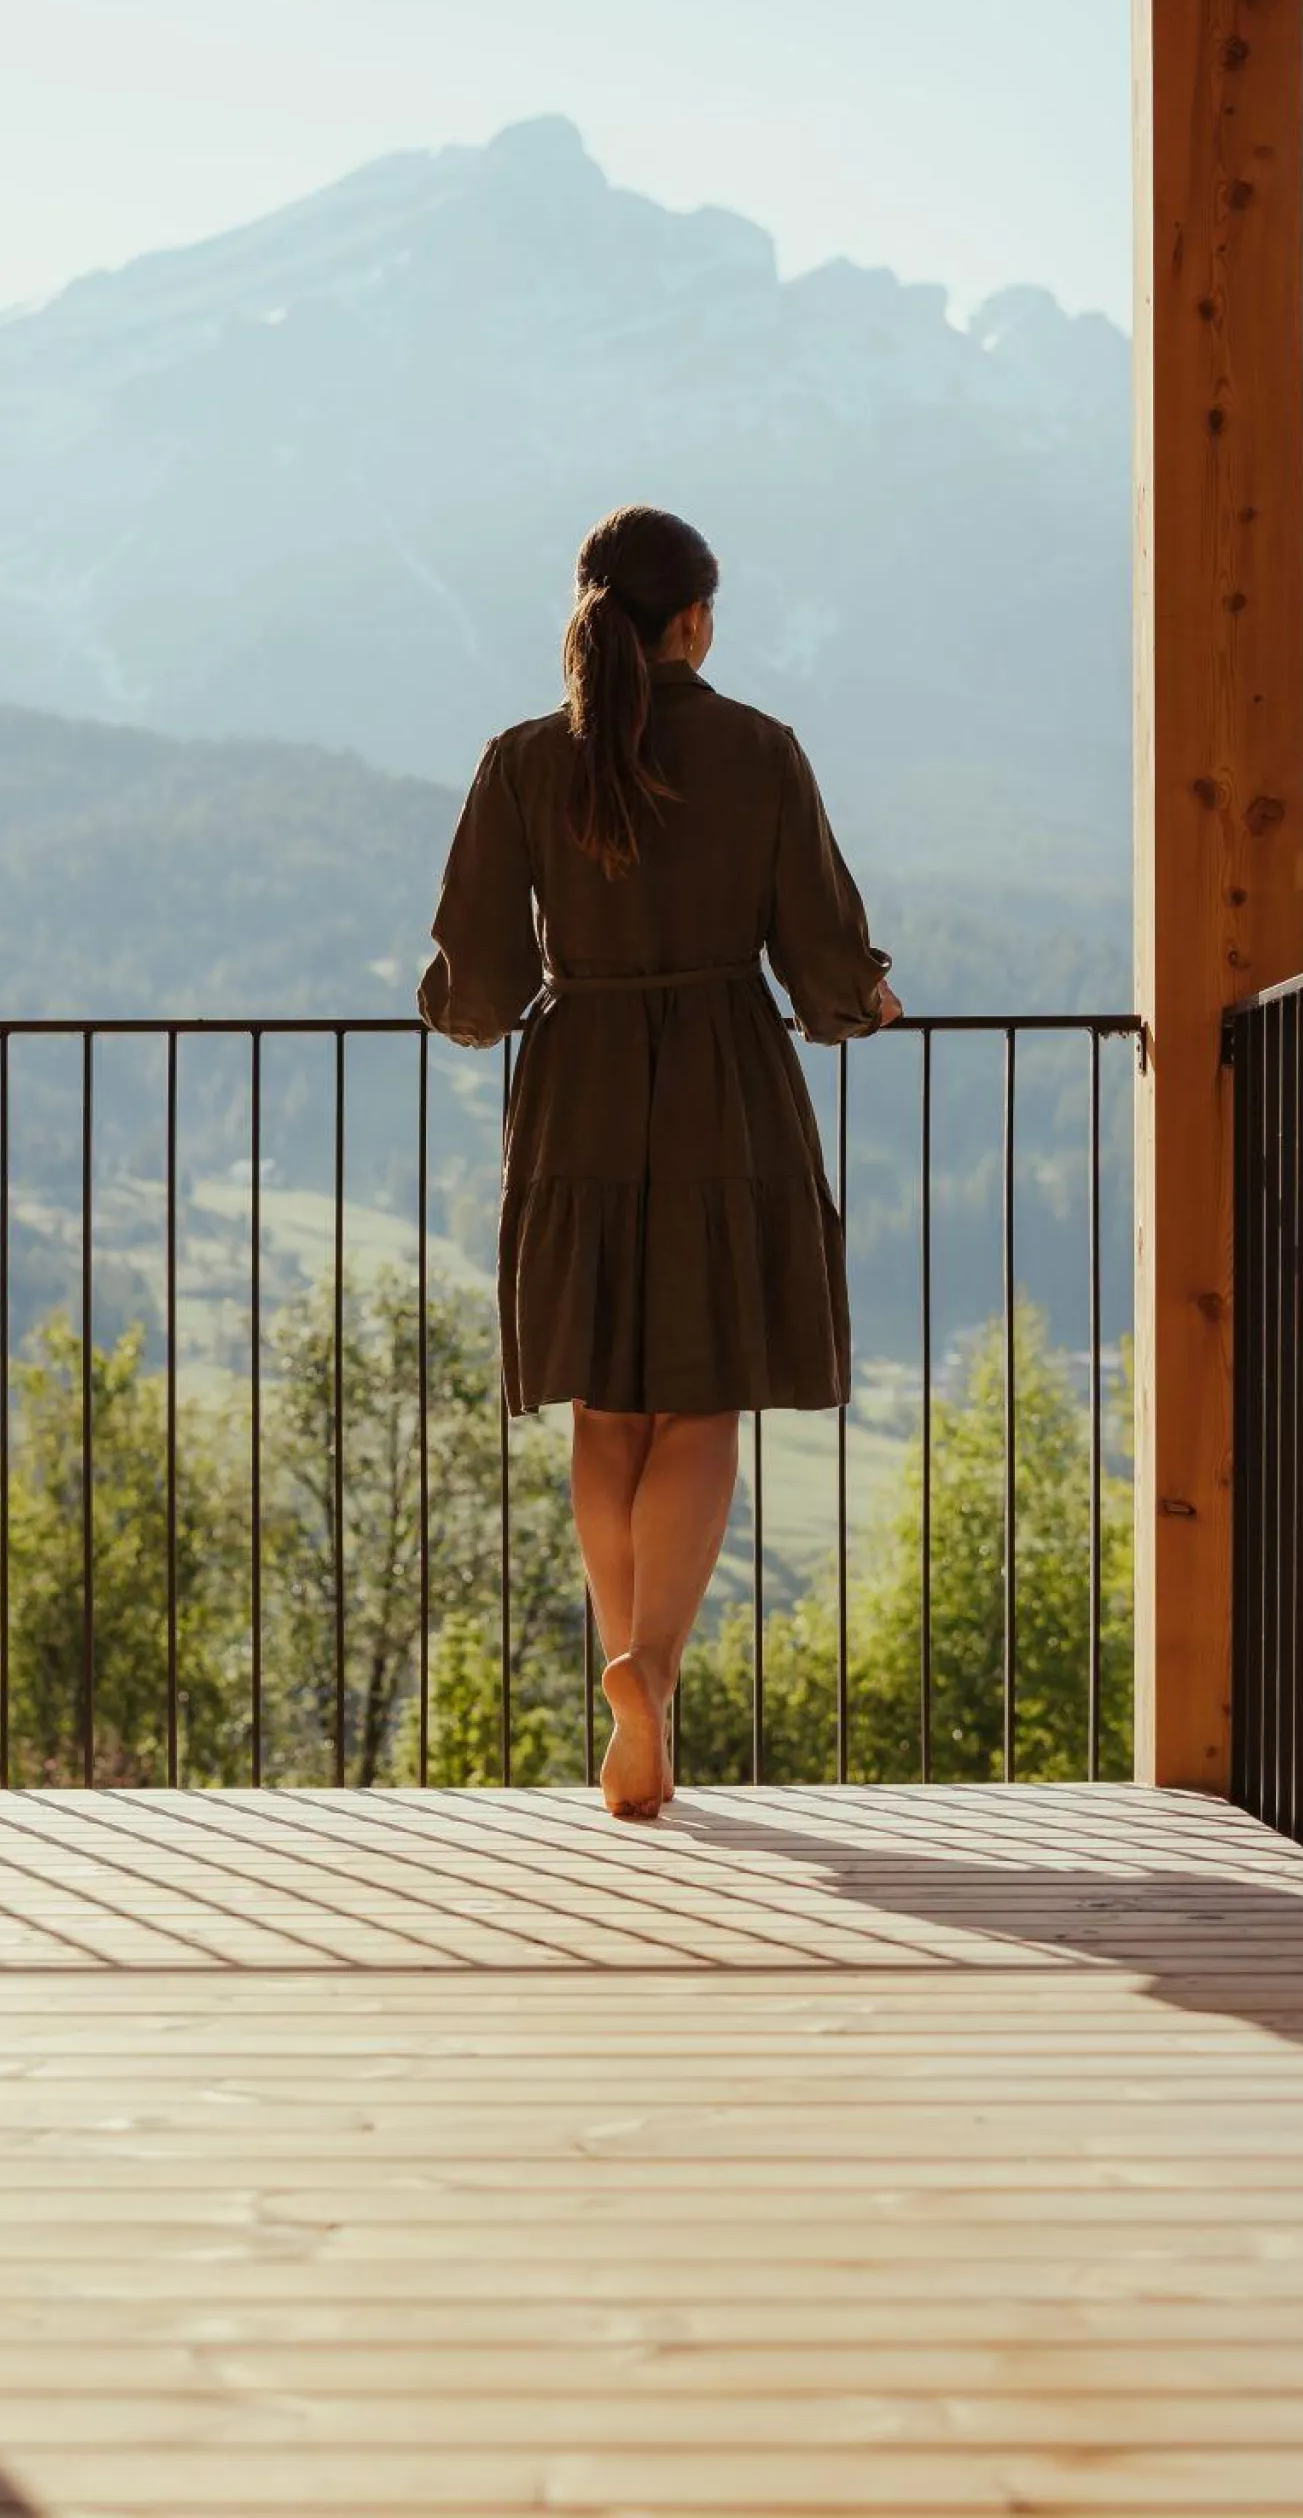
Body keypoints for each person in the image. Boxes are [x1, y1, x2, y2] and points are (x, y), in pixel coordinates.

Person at [418, 505, 898, 1820]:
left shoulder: (524, 762)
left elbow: (483, 979)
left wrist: (448, 1001)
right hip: (722, 1098)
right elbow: (819, 953)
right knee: (700, 1402)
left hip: (577, 1094)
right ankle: (652, 1680)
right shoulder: (758, 753)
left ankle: (626, 1678)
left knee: (605, 1407)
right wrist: (861, 997)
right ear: (692, 620)